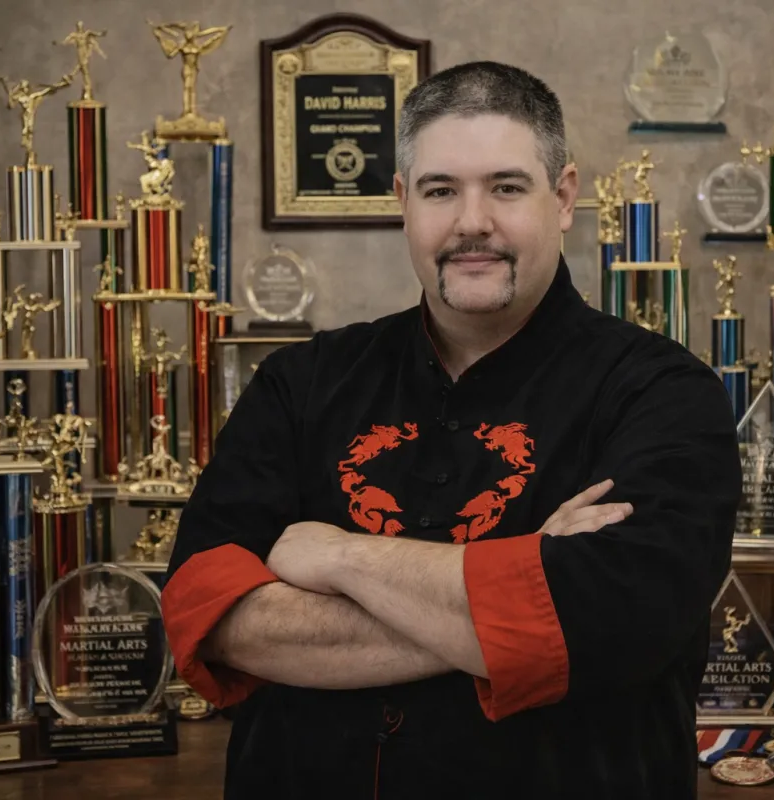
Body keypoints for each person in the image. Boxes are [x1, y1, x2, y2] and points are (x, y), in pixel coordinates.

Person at [162, 60, 741, 799]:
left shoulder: (664, 395)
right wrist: (527, 578)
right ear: (404, 201)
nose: (472, 221)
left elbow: (614, 624)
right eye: (441, 190)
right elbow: (209, 613)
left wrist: (336, 555)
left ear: (563, 197)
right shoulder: (298, 385)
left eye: (506, 186)